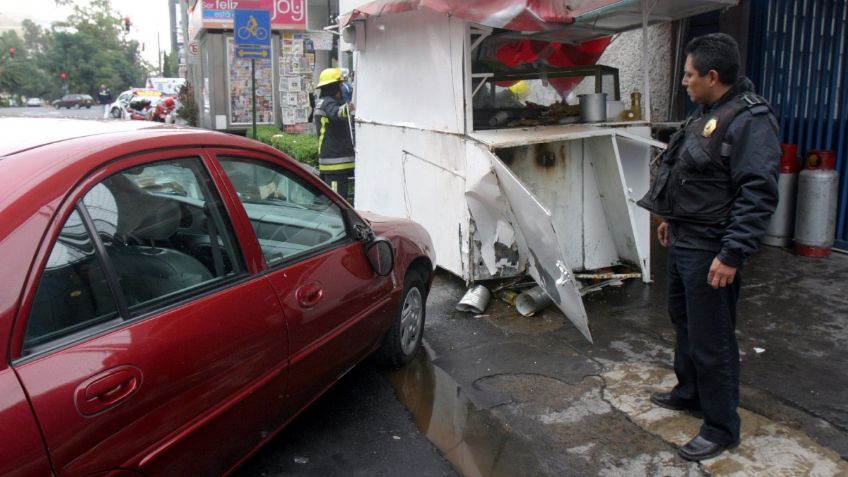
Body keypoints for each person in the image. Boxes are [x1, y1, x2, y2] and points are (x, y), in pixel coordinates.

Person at [636, 33, 780, 462]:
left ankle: (721, 426)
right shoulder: (709, 111)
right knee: (684, 322)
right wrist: (671, 222)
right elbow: (693, 175)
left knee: (712, 338)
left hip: (712, 250)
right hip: (685, 239)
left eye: (689, 74)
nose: (683, 82)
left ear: (712, 76)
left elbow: (757, 192)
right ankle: (690, 391)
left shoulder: (750, 119)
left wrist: (732, 253)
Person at [313, 67, 355, 202]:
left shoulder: (322, 102)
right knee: (337, 202)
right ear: (334, 87)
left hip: (331, 161)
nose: (343, 88)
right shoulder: (328, 103)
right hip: (335, 163)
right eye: (341, 85)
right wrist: (347, 108)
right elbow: (336, 113)